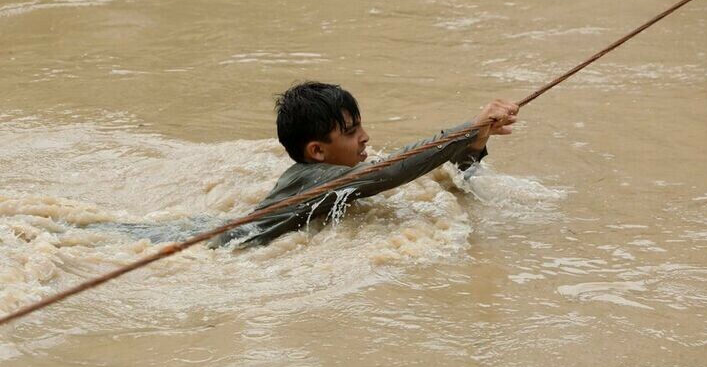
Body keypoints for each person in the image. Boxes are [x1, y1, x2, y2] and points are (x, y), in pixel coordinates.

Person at [211, 81, 518, 248]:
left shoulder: (326, 173)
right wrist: (467, 127)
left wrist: (475, 141)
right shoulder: (318, 177)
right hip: (223, 244)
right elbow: (392, 169)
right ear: (317, 151)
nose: (365, 138)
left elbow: (452, 182)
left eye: (361, 127)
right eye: (351, 132)